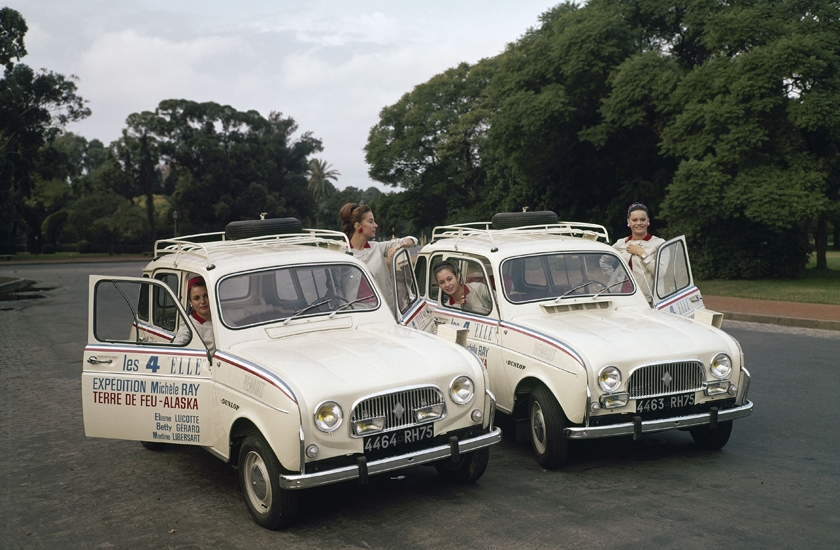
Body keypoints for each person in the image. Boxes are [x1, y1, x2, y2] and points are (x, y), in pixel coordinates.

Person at [339, 203, 417, 313]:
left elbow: (412, 240)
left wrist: (400, 244)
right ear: (358, 226)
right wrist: (345, 308)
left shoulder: (377, 247)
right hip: (356, 313)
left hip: (384, 310)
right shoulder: (341, 253)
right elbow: (335, 287)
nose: (376, 225)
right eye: (370, 221)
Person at [605, 202, 665, 304]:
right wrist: (614, 278)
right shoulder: (620, 243)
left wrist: (642, 253)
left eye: (643, 219)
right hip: (621, 298)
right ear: (628, 221)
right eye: (634, 220)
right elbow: (604, 261)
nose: (639, 223)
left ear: (648, 221)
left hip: (648, 300)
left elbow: (661, 272)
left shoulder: (659, 244)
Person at [173, 276, 216, 355]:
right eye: (197, 298)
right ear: (190, 302)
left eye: (206, 296)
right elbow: (176, 348)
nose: (203, 301)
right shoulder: (189, 325)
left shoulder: (220, 317)